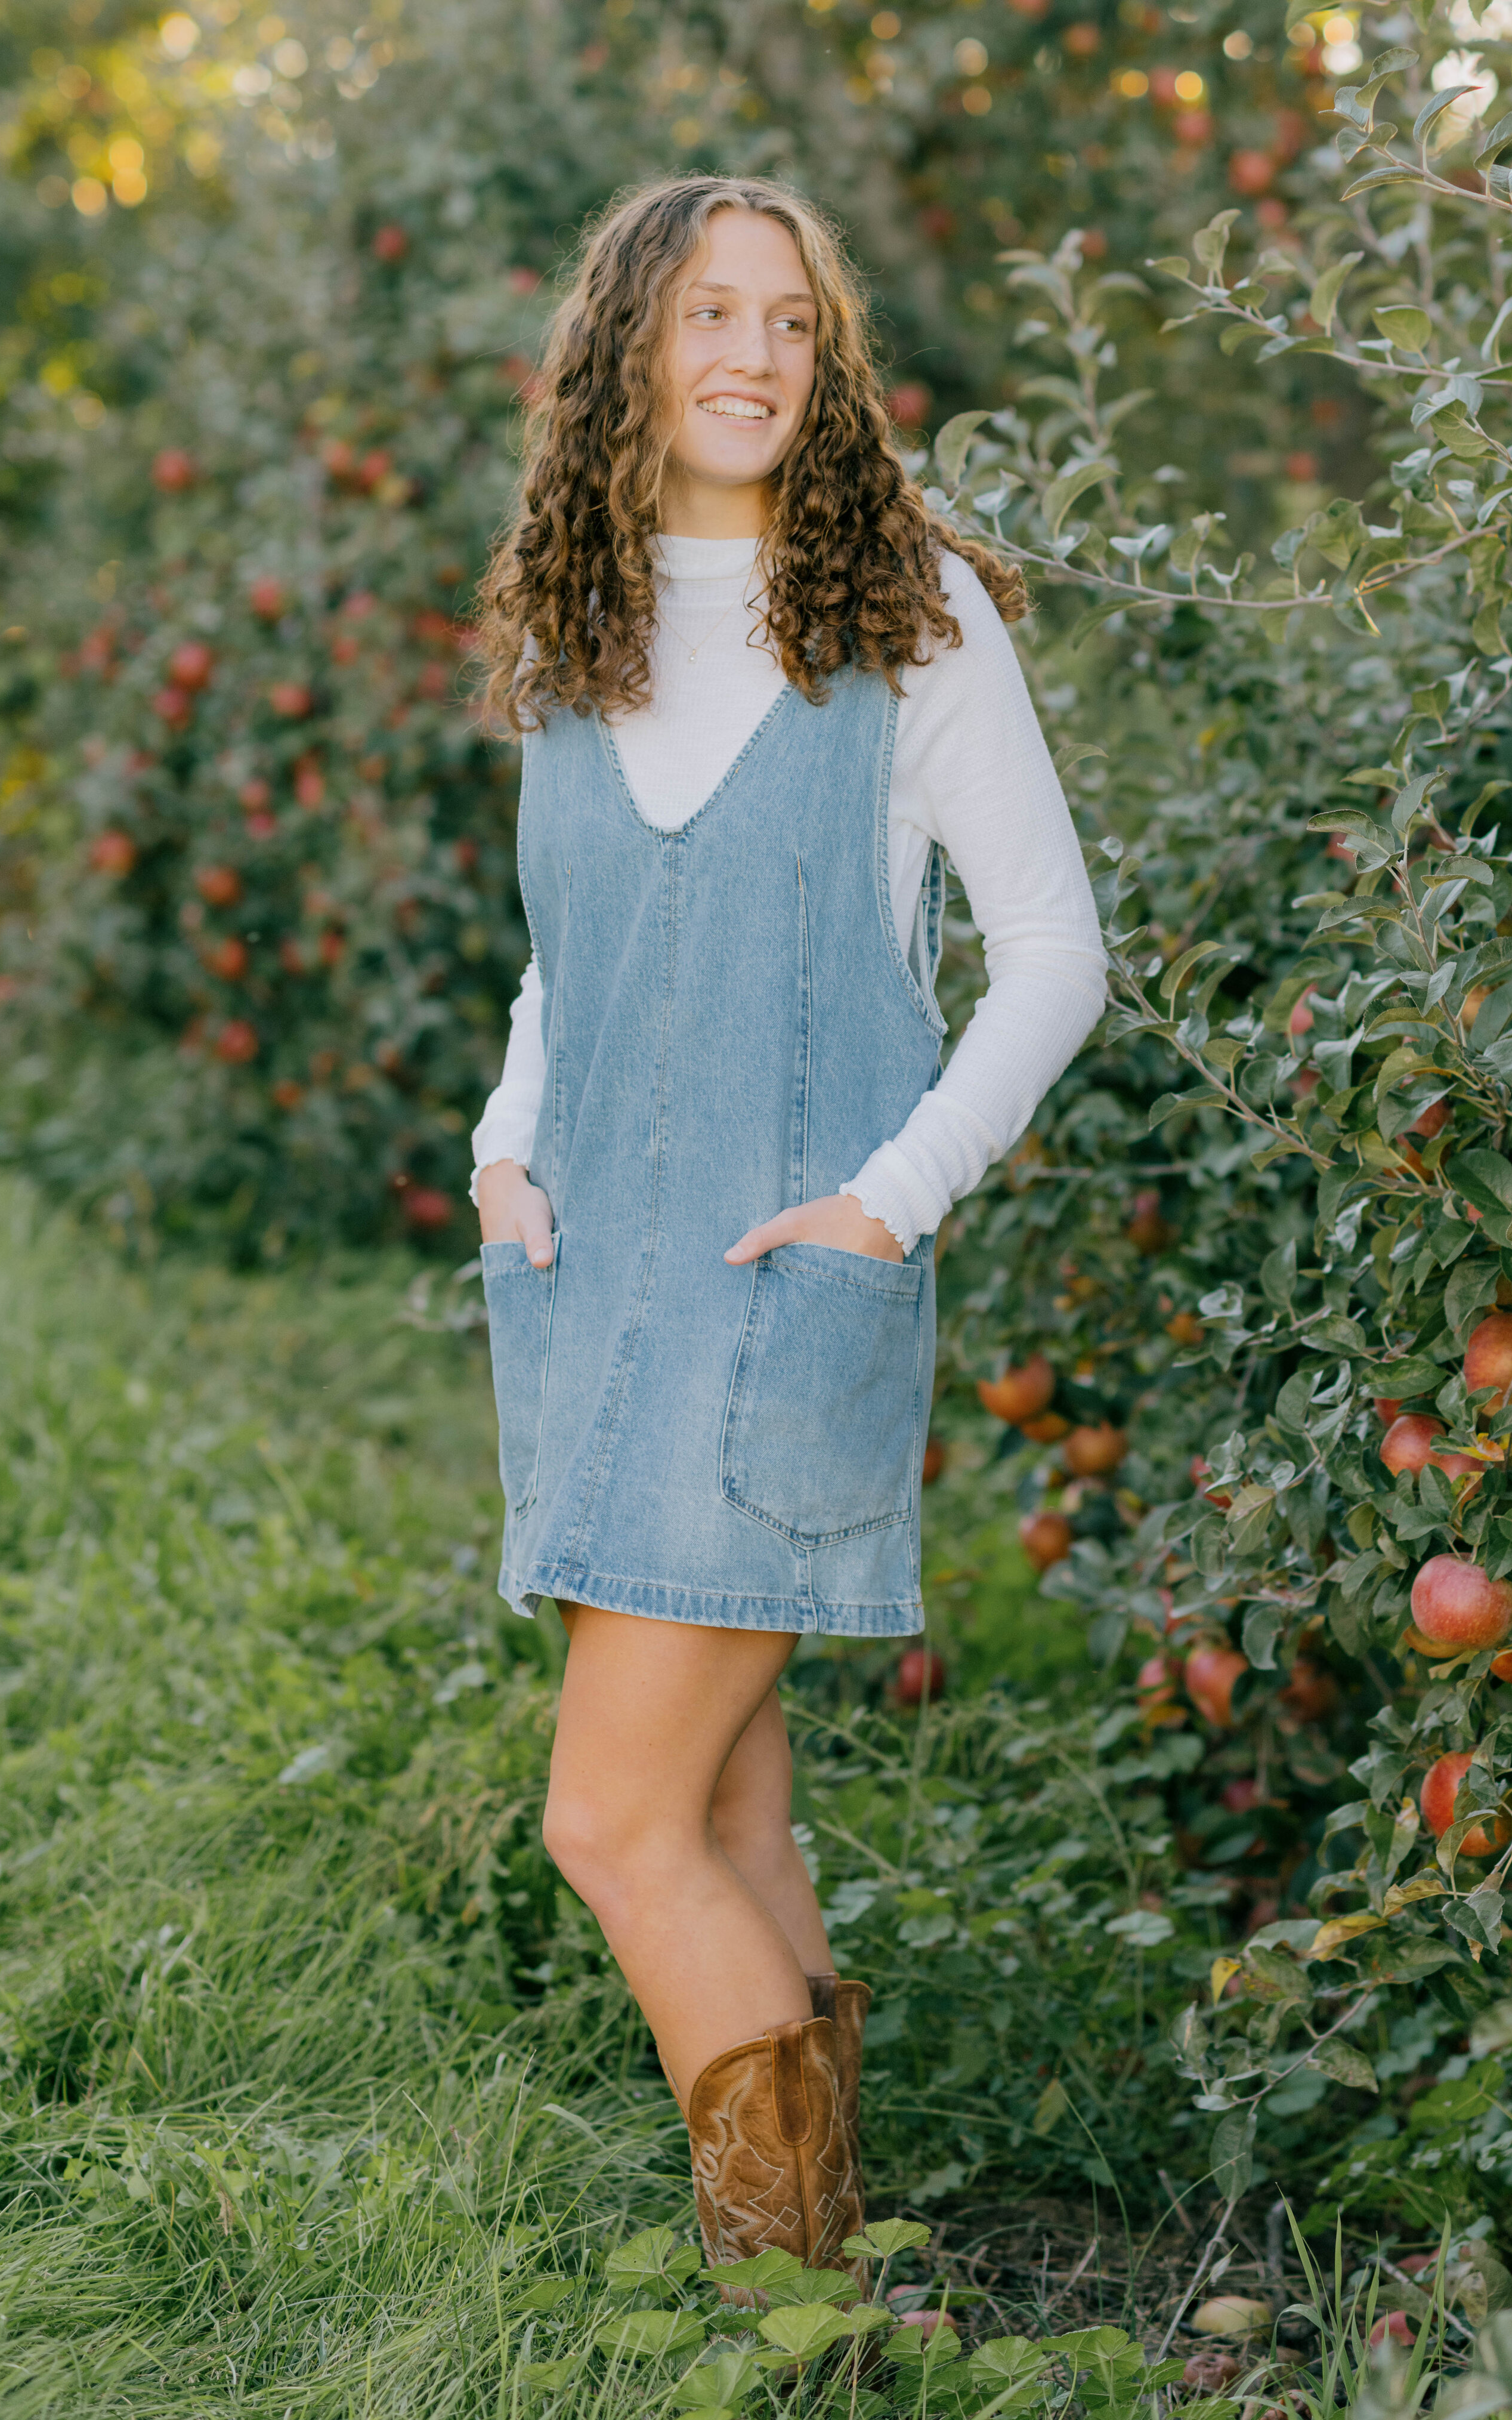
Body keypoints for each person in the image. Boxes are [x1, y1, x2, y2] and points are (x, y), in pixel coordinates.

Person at [469, 175, 1105, 2279]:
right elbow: (565, 959)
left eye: (792, 324)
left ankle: (787, 2314)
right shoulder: (587, 615)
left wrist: (888, 1206)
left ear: (826, 365)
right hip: (585, 1294)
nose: (751, 356)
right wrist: (502, 1144)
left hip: (777, 1299)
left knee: (607, 1819)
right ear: (632, 348)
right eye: (709, 316)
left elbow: (1052, 958)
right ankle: (835, 2290)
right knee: (727, 1809)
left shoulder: (910, 610)